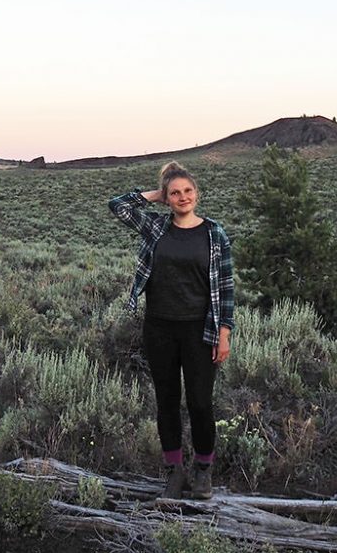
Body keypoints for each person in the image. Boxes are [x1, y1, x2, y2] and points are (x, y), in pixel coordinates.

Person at [108, 161, 235, 500]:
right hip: (159, 327)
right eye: (175, 193)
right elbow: (117, 206)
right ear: (168, 197)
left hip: (199, 330)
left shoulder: (214, 233)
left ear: (197, 194)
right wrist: (155, 195)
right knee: (166, 401)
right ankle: (174, 472)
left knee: (200, 402)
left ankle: (203, 471)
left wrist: (224, 332)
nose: (182, 197)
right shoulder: (156, 228)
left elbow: (225, 286)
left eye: (187, 191)